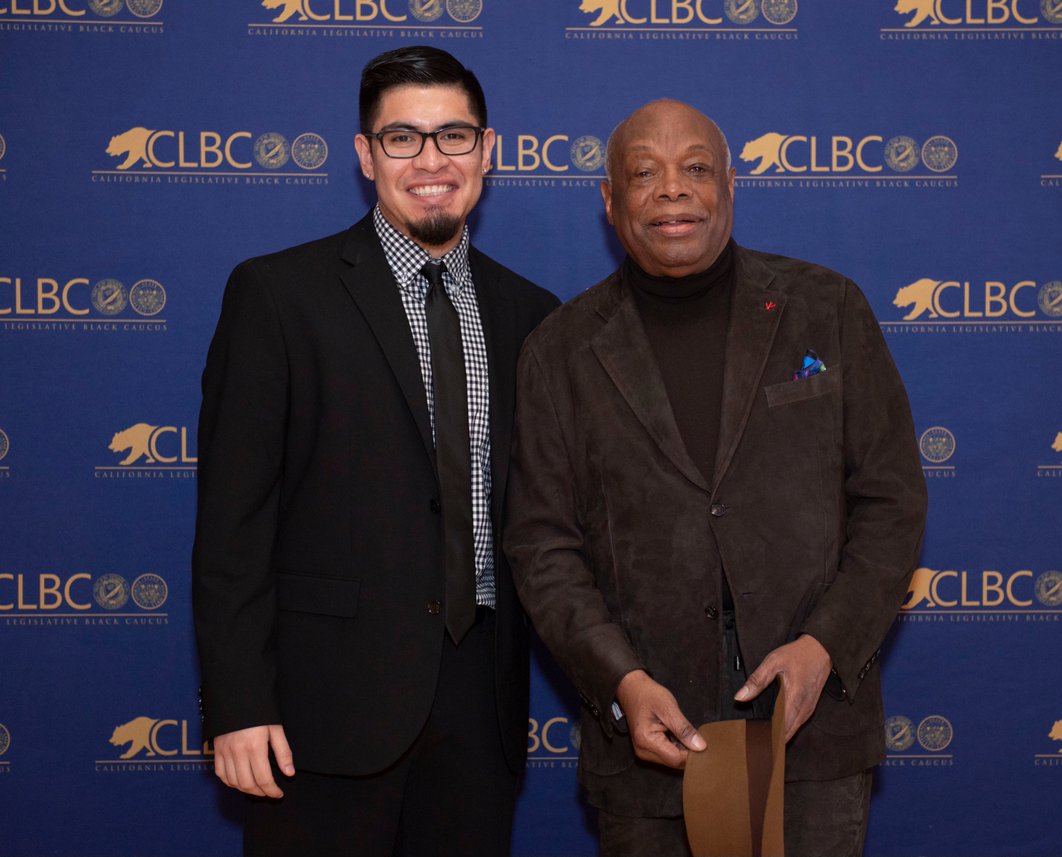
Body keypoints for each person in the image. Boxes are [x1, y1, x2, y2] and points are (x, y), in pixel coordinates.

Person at [505, 99, 927, 857]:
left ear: (731, 184)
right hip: (651, 738)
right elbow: (543, 547)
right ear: (609, 199)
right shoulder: (557, 352)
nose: (673, 190)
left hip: (813, 729)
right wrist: (622, 682)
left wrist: (824, 646)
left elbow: (891, 499)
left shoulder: (826, 310)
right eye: (644, 173)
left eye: (695, 168)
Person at [192, 45, 558, 857]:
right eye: (403, 138)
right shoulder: (279, 295)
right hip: (318, 717)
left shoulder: (533, 314)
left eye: (453, 136)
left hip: (480, 715)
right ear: (365, 156)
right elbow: (231, 523)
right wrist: (238, 703)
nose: (432, 161)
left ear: (488, 151)